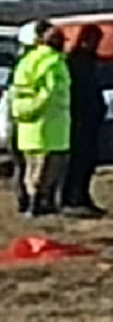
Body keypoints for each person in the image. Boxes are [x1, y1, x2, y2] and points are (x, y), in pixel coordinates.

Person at [9, 24, 71, 217]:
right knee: (46, 172)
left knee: (30, 169)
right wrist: (38, 108)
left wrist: (25, 112)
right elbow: (50, 94)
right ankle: (38, 206)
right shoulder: (53, 63)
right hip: (50, 128)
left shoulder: (26, 62)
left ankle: (32, 205)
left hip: (27, 127)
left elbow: (16, 91)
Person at [8, 19, 53, 214]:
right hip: (30, 121)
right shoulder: (38, 62)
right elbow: (44, 94)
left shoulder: (24, 62)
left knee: (24, 166)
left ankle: (26, 202)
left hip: (20, 118)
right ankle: (31, 204)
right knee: (31, 167)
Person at [62, 24, 106, 216]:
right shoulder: (74, 61)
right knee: (77, 162)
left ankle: (83, 196)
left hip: (90, 119)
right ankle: (72, 198)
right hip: (78, 119)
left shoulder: (90, 61)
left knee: (88, 161)